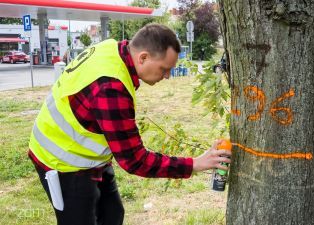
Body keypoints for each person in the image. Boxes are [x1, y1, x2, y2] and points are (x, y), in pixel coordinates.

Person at [28, 23, 231, 225]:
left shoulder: (113, 50)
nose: (168, 76)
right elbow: (135, 161)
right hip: (61, 162)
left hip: (90, 156)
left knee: (112, 214)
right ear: (143, 57)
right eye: (164, 69)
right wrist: (195, 164)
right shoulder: (110, 87)